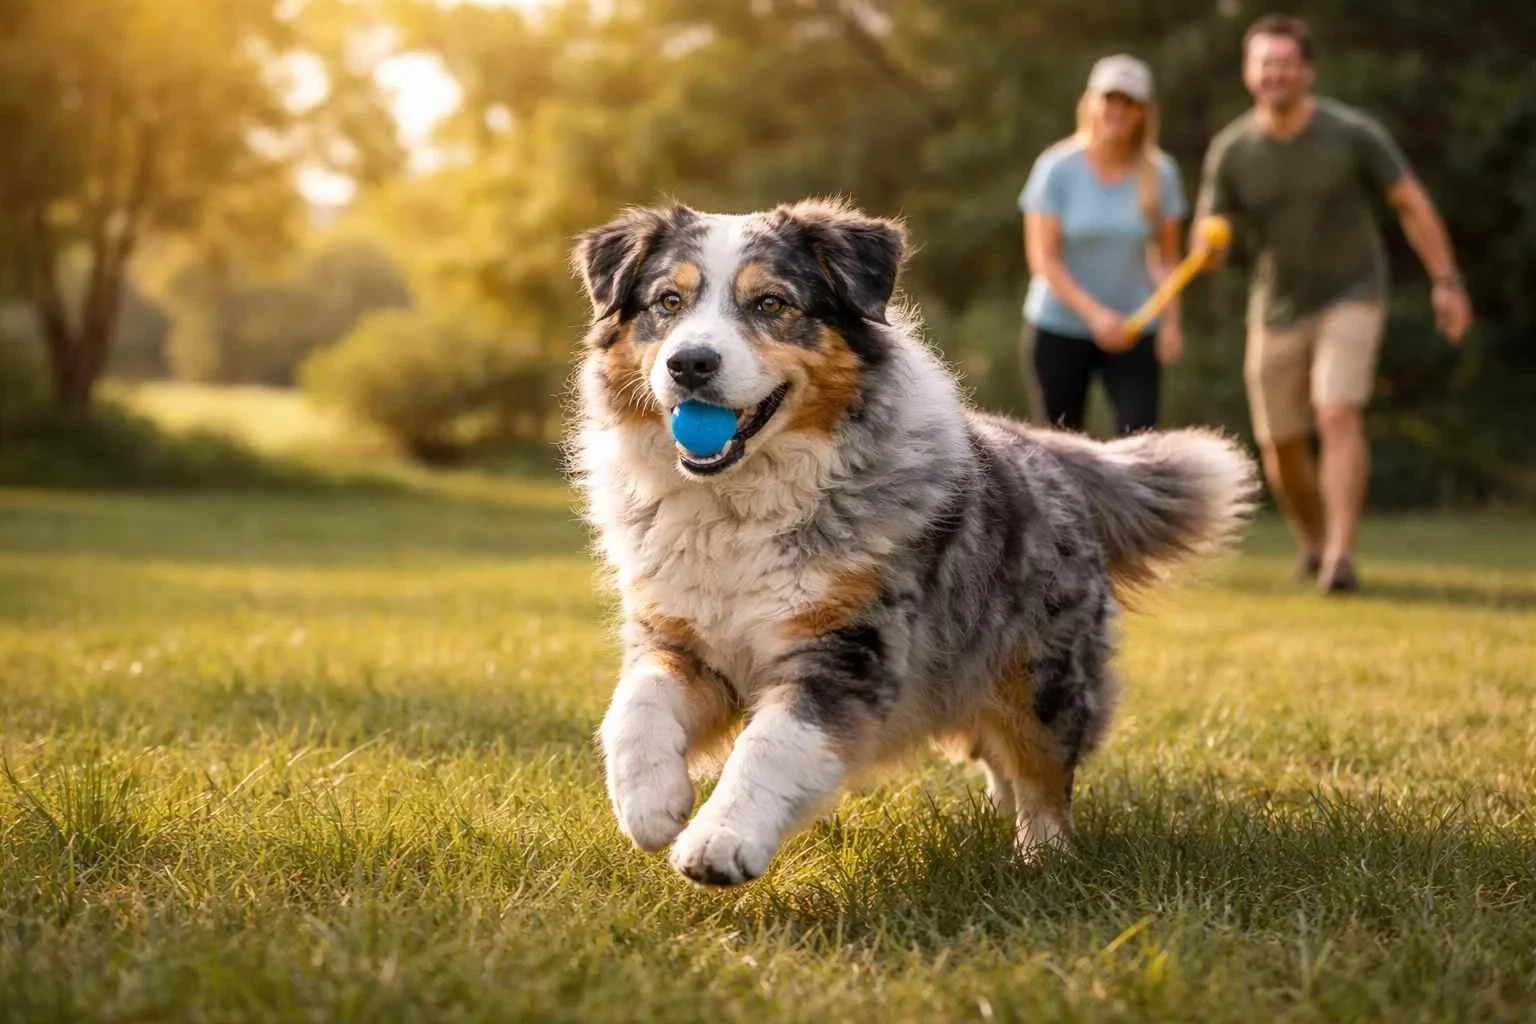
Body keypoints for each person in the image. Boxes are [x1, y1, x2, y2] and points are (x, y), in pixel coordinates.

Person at [1195, 14, 1472, 594]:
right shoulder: (1232, 150)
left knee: (1338, 412)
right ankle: (1316, 542)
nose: (1276, 73)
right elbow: (1209, 229)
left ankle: (1342, 555)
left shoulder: (1352, 134)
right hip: (1275, 308)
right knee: (1279, 446)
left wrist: (1446, 281)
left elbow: (1411, 204)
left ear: (1308, 71)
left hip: (1353, 293)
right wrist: (1209, 246)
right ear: (1250, 73)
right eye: (1265, 63)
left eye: (1287, 63)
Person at [1018, 54, 1188, 437]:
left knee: (1141, 446)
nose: (1117, 109)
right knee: (1061, 452)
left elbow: (1167, 258)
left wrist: (1171, 323)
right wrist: (1095, 316)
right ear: (1092, 102)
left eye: (1128, 102)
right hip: (1059, 329)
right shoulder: (1057, 167)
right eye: (1109, 98)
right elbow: (1043, 259)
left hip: (1135, 329)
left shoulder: (1162, 174)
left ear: (1143, 111)